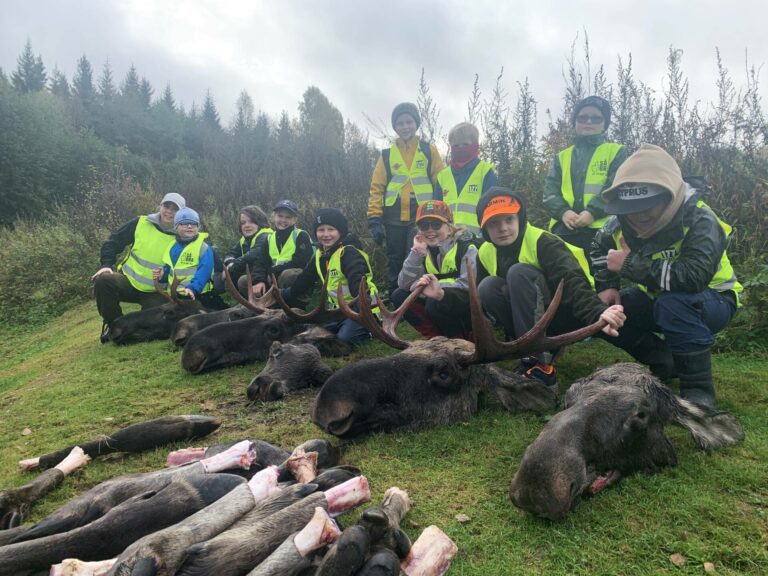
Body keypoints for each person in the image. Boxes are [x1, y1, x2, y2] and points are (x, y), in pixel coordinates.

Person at [592, 144, 742, 409]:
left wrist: (629, 265)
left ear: (670, 196)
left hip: (714, 300)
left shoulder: (701, 220)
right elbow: (597, 247)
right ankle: (664, 360)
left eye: (649, 205)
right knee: (600, 312)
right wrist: (607, 285)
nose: (639, 215)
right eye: (631, 207)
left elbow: (693, 278)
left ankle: (698, 392)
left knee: (673, 302)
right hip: (658, 299)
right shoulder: (617, 223)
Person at [475, 187, 625, 388]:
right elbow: (479, 305)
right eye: (494, 223)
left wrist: (597, 314)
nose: (503, 228)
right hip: (532, 318)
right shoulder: (484, 252)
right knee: (486, 287)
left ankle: (540, 366)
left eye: (509, 219)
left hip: (570, 314)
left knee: (518, 272)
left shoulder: (544, 242)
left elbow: (572, 281)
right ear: (484, 227)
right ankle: (527, 351)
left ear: (520, 218)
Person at [367, 102, 445, 292]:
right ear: (395, 127)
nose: (405, 126)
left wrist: (442, 214)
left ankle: (418, 292)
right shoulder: (387, 155)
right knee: (394, 256)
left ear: (416, 123)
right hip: (393, 216)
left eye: (409, 122)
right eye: (400, 123)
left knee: (418, 253)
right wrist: (374, 218)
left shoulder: (429, 150)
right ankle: (396, 294)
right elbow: (377, 187)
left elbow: (441, 182)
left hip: (421, 215)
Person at [92, 192, 185, 343]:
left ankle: (130, 328)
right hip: (128, 283)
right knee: (103, 280)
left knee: (157, 323)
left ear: (181, 213)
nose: (169, 211)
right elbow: (112, 242)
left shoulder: (183, 235)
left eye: (175, 209)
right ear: (160, 206)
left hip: (157, 292)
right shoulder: (140, 223)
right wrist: (106, 265)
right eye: (167, 206)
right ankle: (113, 325)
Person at [543, 95, 628, 255]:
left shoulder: (617, 152)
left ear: (604, 124)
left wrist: (592, 212)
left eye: (596, 118)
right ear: (575, 122)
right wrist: (563, 212)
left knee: (601, 270)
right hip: (565, 229)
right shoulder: (561, 157)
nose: (589, 122)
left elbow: (617, 186)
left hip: (604, 229)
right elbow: (550, 192)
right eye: (582, 117)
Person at [281, 208, 379, 347]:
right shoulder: (320, 254)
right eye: (321, 230)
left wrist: (362, 312)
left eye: (331, 229)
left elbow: (358, 285)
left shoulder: (349, 253)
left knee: (343, 340)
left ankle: (371, 331)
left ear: (340, 232)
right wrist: (281, 294)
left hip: (362, 311)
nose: (326, 235)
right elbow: (304, 280)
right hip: (337, 313)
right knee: (310, 334)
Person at [391, 200, 477, 339]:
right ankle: (436, 339)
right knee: (398, 295)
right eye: (424, 226)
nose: (430, 230)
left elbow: (469, 285)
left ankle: (461, 339)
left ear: (449, 228)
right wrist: (416, 253)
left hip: (466, 304)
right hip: (438, 302)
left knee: (434, 300)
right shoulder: (422, 250)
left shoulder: (466, 248)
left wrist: (434, 287)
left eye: (436, 224)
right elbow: (403, 284)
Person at [152, 207, 227, 309]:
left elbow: (204, 272)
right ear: (176, 227)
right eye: (184, 223)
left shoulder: (204, 248)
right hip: (175, 297)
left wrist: (193, 288)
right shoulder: (172, 246)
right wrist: (163, 274)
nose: (189, 226)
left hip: (199, 296)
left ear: (198, 227)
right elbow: (170, 269)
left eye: (194, 224)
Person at [434, 122, 497, 236]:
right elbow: (436, 212)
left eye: (465, 144)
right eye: (456, 145)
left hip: (477, 239)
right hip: (448, 239)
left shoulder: (485, 171)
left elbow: (492, 208)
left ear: (475, 145)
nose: (460, 148)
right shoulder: (442, 176)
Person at [247, 199, 313, 297]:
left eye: (288, 217)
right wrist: (259, 280)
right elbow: (260, 262)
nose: (283, 220)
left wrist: (274, 271)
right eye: (280, 216)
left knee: (288, 275)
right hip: (274, 276)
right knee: (244, 281)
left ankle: (295, 301)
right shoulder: (269, 238)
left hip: (292, 278)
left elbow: (300, 262)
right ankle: (260, 302)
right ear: (274, 216)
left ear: (295, 220)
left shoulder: (301, 235)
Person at [222, 205, 272, 296]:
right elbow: (230, 254)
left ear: (260, 222)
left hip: (266, 275)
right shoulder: (244, 239)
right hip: (255, 273)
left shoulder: (265, 235)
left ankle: (261, 302)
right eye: (243, 223)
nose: (247, 225)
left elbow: (252, 255)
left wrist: (232, 267)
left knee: (241, 279)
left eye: (251, 221)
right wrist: (230, 264)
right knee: (224, 278)